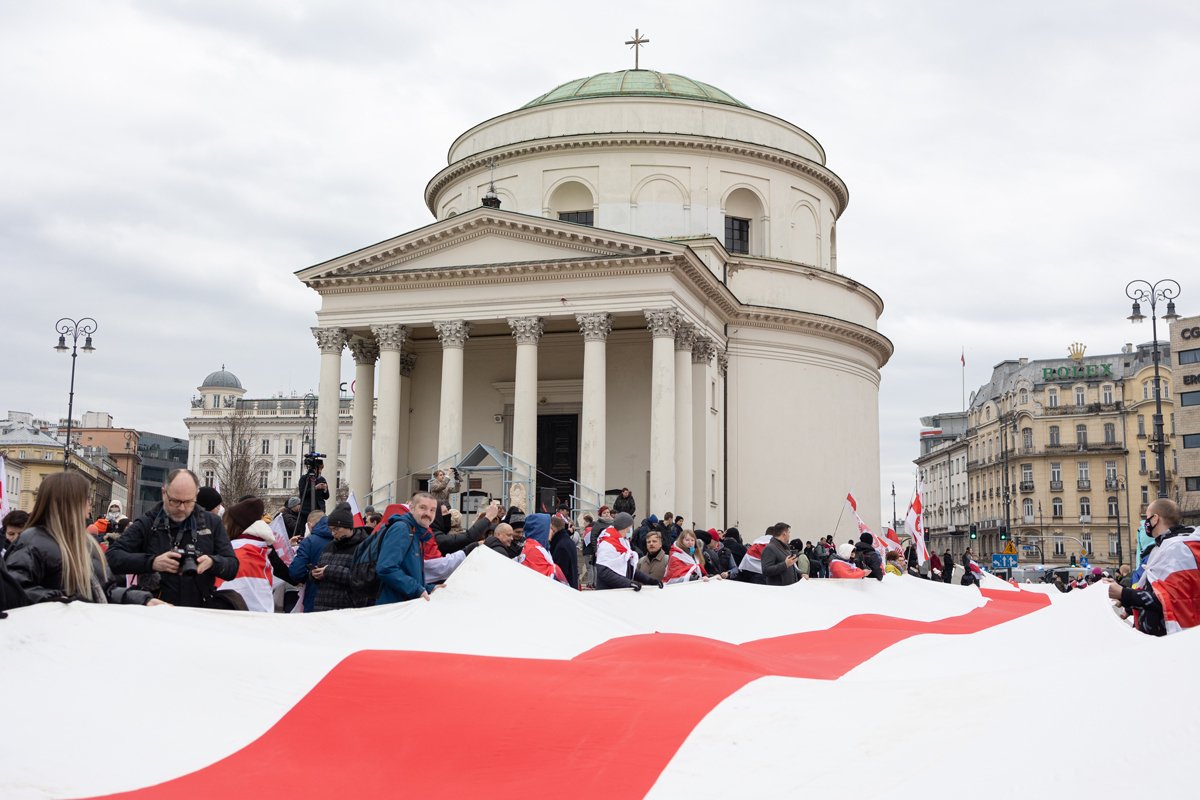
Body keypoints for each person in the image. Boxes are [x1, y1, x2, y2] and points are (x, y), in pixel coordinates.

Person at [5, 472, 161, 606]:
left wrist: (143, 600)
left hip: (82, 630)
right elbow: (15, 589)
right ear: (69, 503)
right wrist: (65, 601)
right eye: (86, 499)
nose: (90, 505)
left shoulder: (86, 543)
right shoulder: (32, 541)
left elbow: (105, 591)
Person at [106, 469, 239, 607]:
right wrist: (152, 562)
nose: (182, 508)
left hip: (200, 610)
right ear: (164, 493)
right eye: (175, 501)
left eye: (188, 502)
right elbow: (112, 557)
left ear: (196, 495)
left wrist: (212, 562)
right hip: (157, 609)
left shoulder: (212, 523)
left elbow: (232, 566)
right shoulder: (148, 523)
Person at [1107, 498, 1200, 636]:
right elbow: (1157, 591)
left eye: (1147, 518)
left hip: (1173, 639)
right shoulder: (1169, 546)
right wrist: (1128, 607)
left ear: (1155, 519)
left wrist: (1123, 593)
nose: (1146, 523)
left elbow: (1167, 600)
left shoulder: (1176, 549)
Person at [213, 496, 278, 612]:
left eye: (226, 523)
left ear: (234, 526)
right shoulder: (256, 550)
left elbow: (220, 595)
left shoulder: (238, 555)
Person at [375, 492, 439, 604]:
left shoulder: (417, 533)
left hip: (403, 604)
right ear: (411, 508)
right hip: (392, 606)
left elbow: (410, 572)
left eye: (432, 510)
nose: (428, 514)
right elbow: (386, 568)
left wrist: (430, 588)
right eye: (423, 508)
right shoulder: (402, 529)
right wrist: (416, 590)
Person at [311, 506, 368, 612]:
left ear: (349, 527)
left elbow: (361, 578)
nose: (333, 533)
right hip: (322, 607)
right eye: (331, 529)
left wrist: (329, 571)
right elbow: (321, 568)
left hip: (348, 609)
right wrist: (315, 574)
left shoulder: (362, 547)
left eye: (336, 529)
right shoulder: (329, 546)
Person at [595, 512, 660, 591]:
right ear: (625, 527)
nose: (630, 530)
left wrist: (650, 580)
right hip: (609, 592)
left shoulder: (623, 542)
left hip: (621, 592)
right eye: (630, 527)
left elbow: (629, 568)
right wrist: (628, 583)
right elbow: (603, 572)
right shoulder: (607, 544)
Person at [289, 507, 337, 612]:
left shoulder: (309, 542)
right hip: (341, 599)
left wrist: (309, 575)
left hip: (315, 596)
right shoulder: (341, 537)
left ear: (310, 525)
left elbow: (296, 572)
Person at [519, 513, 568, 585]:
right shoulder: (533, 550)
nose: (552, 531)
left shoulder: (541, 548)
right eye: (549, 528)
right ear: (541, 531)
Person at [548, 514, 580, 589]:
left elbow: (561, 574)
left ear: (553, 529)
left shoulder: (561, 546)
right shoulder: (566, 541)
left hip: (565, 590)